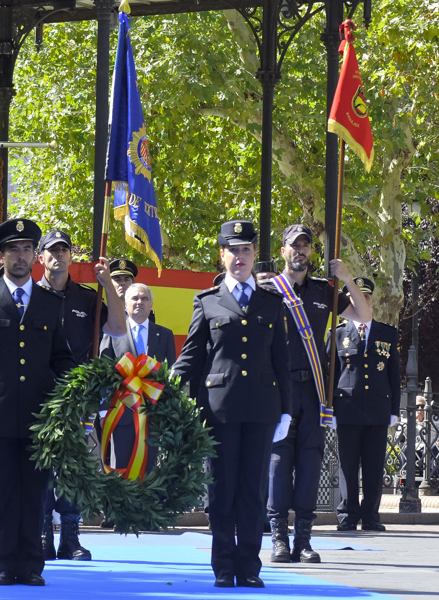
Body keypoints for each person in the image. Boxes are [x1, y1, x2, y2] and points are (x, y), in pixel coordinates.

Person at [172, 219, 292, 589]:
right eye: (233, 250)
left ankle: (249, 566)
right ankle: (224, 565)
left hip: (260, 409)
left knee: (252, 492)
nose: (239, 257)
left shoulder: (272, 302)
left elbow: (281, 360)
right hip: (218, 410)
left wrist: (286, 410)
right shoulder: (207, 301)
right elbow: (191, 354)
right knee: (221, 490)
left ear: (254, 255)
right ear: (221, 255)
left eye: (246, 250)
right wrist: (165, 386)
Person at [0, 217, 77, 587]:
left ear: (35, 256)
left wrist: (76, 385)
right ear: (1, 256)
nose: (21, 256)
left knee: (34, 491)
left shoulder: (49, 302)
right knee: (5, 491)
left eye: (27, 249)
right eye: (14, 249)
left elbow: (59, 356)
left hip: (40, 415)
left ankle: (30, 564)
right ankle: (4, 563)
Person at [264, 224, 371, 563]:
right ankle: (279, 538)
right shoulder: (268, 288)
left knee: (310, 463)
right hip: (278, 389)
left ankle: (304, 540)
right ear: (283, 251)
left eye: (306, 246)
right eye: (294, 246)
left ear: (312, 252)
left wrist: (348, 277)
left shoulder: (325, 290)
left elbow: (364, 315)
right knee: (279, 463)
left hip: (313, 391)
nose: (300, 251)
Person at [35, 229, 125, 561]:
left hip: (78, 398)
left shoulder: (87, 299)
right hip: (40, 396)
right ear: (40, 257)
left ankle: (70, 536)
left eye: (64, 250)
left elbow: (117, 328)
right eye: (52, 250)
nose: (58, 255)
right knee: (43, 468)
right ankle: (43, 533)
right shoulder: (30, 296)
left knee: (73, 467)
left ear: (72, 256)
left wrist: (109, 288)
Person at [332, 276, 400, 533]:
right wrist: (331, 409)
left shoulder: (387, 333)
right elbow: (332, 373)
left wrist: (394, 410)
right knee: (347, 465)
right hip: (347, 408)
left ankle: (371, 514)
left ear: (372, 301)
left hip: (377, 409)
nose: (360, 301)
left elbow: (393, 373)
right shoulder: (338, 334)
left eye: (366, 297)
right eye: (353, 297)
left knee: (373, 464)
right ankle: (348, 514)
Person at [99, 282, 176, 474]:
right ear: (125, 304)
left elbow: (170, 376)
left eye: (144, 298)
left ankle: (147, 505)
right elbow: (103, 373)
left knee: (148, 471)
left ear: (151, 305)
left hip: (153, 415)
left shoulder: (165, 335)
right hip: (121, 414)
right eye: (134, 298)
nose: (139, 302)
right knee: (121, 470)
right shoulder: (112, 333)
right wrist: (102, 411)